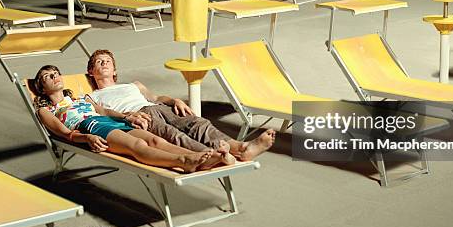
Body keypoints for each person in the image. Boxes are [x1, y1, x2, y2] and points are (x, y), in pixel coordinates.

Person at [33, 65, 234, 173]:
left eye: (56, 73)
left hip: (106, 121)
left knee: (156, 140)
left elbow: (103, 111)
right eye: (47, 77)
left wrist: (126, 117)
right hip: (89, 126)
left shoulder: (79, 98)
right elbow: (65, 133)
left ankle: (198, 157)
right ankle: (184, 161)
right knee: (137, 145)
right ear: (42, 88)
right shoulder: (47, 110)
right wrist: (86, 138)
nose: (54, 77)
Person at [86, 49, 275, 161]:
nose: (104, 63)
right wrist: (126, 116)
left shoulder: (133, 85)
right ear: (91, 71)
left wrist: (174, 101)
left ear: (115, 69)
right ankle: (213, 154)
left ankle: (241, 148)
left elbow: (156, 97)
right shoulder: (92, 96)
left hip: (158, 108)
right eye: (99, 62)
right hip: (138, 117)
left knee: (197, 123)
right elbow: (101, 112)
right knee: (173, 135)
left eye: (108, 61)